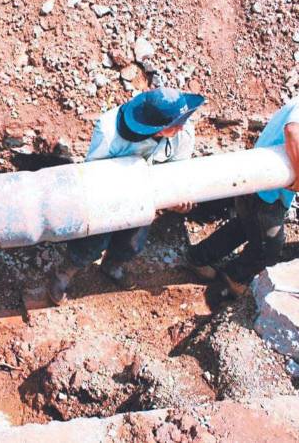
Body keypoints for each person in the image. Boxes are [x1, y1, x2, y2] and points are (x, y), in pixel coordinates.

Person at [49, 87, 205, 305]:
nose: (182, 127)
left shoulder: (183, 134)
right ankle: (64, 273)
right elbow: (95, 175)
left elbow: (176, 173)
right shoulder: (109, 131)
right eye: (175, 124)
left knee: (133, 243)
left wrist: (176, 199)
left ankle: (112, 265)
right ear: (158, 127)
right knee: (92, 242)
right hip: (107, 195)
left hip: (146, 198)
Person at [186, 97, 299, 295]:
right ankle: (235, 277)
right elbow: (293, 132)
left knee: (246, 226)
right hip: (265, 187)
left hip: (261, 183)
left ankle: (198, 257)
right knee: (270, 247)